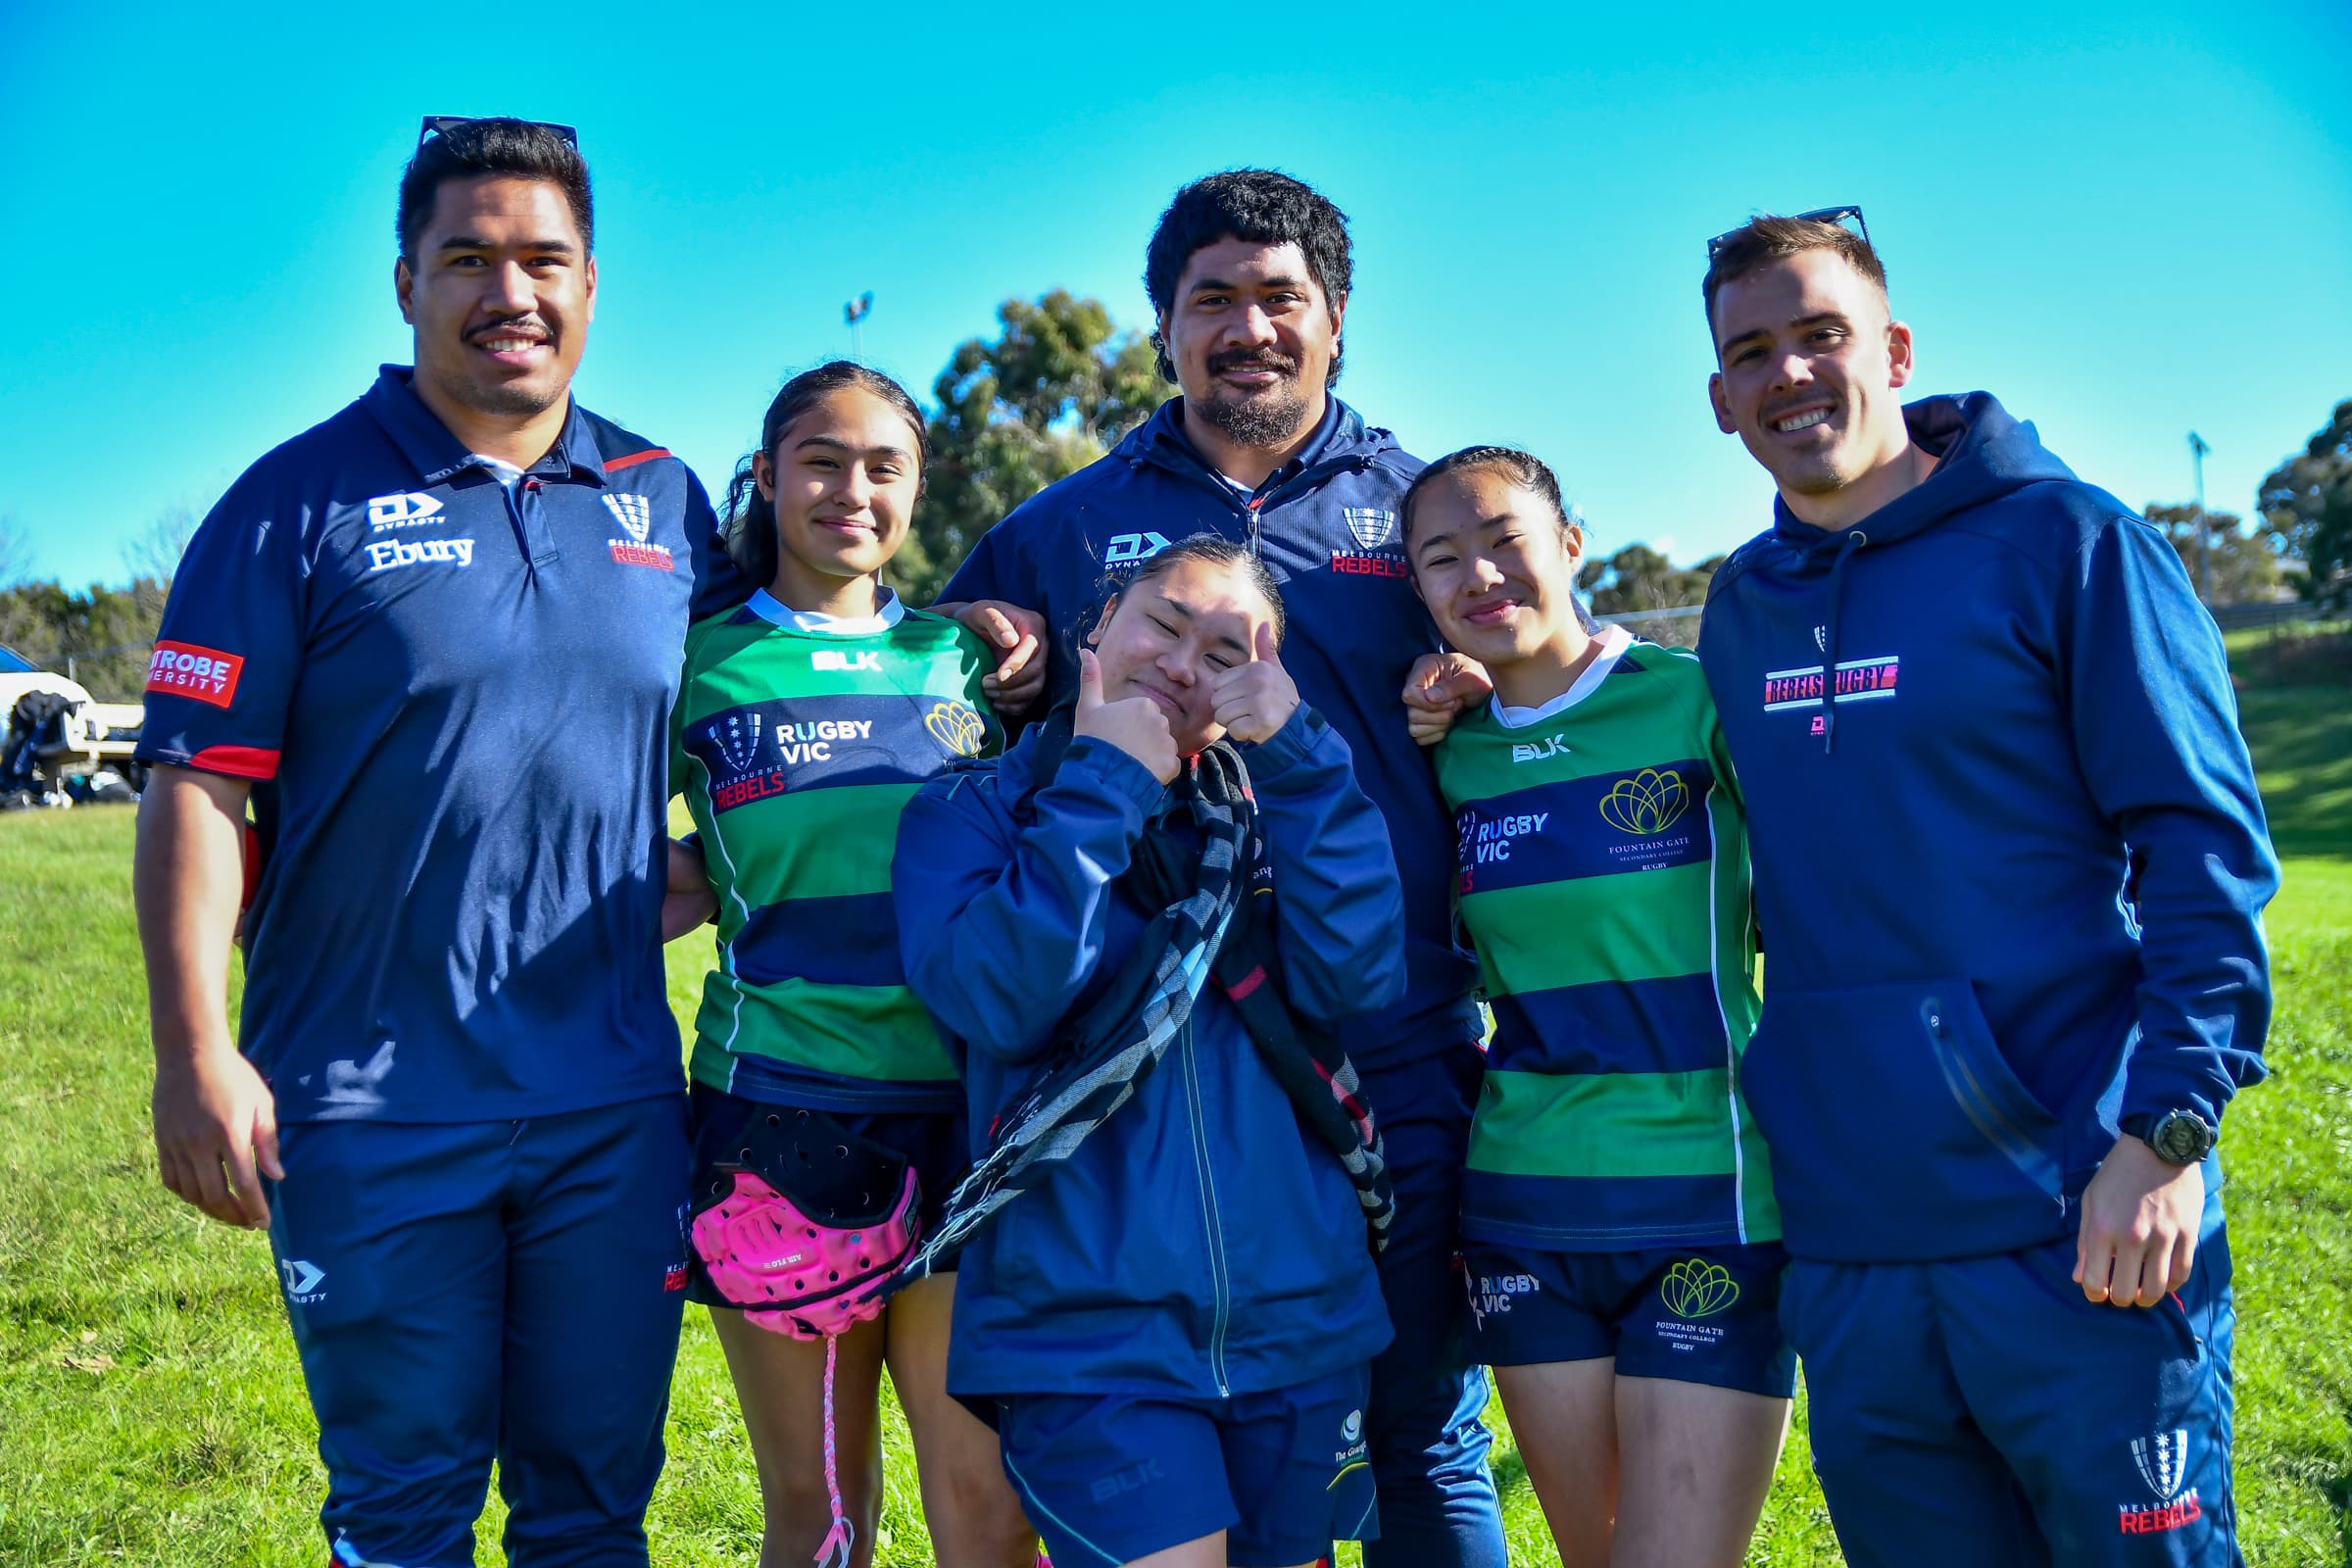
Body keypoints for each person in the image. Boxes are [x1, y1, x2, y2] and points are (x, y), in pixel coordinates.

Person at [130, 117, 747, 1567]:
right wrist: (190, 1049)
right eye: (468, 257)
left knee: (594, 1511)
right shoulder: (292, 501)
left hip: (612, 1103)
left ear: (593, 284)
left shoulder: (667, 499)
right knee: (404, 1512)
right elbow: (195, 787)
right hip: (365, 1104)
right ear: (405, 282)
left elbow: (771, 707)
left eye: (542, 260)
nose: (508, 292)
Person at [936, 170, 1505, 1568]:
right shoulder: (1066, 523)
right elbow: (958, 718)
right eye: (1212, 303)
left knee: (1418, 1420)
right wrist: (978, 644)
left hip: (1394, 1034)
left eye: (1279, 299)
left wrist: (1482, 677)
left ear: (1336, 319)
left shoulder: (1415, 508)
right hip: (1150, 1055)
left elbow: (1538, 660)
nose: (1247, 327)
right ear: (1165, 329)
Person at [1688, 212, 2272, 1565]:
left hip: (2085, 1214)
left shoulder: (2069, 543)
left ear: (1892, 349)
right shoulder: (1740, 606)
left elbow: (2205, 850)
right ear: (1720, 400)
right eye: (1753, 351)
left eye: (1820, 334)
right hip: (1855, 1240)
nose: (1790, 374)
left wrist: (2165, 1135)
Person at [894, 534, 1401, 1568]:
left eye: (1224, 650)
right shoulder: (971, 808)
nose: (1182, 661)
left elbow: (1358, 978)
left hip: (1297, 1322)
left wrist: (1304, 761)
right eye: (1163, 624)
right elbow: (1000, 998)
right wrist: (1103, 788)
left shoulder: (1283, 801)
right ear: (1096, 632)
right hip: (1086, 1338)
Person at [667, 361, 1036, 1568]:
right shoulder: (689, 663)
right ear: (768, 476)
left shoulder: (970, 662)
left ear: (919, 488)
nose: (851, 490)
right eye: (821, 461)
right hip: (781, 1121)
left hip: (974, 1117)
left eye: (885, 466)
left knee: (987, 1509)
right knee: (825, 1518)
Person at [1399, 445, 1793, 1568]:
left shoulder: (1692, 700)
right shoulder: (1444, 754)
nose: (1480, 574)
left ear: (1571, 545)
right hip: (1525, 1205)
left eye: (1505, 540)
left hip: (1706, 1193)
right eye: (1443, 559)